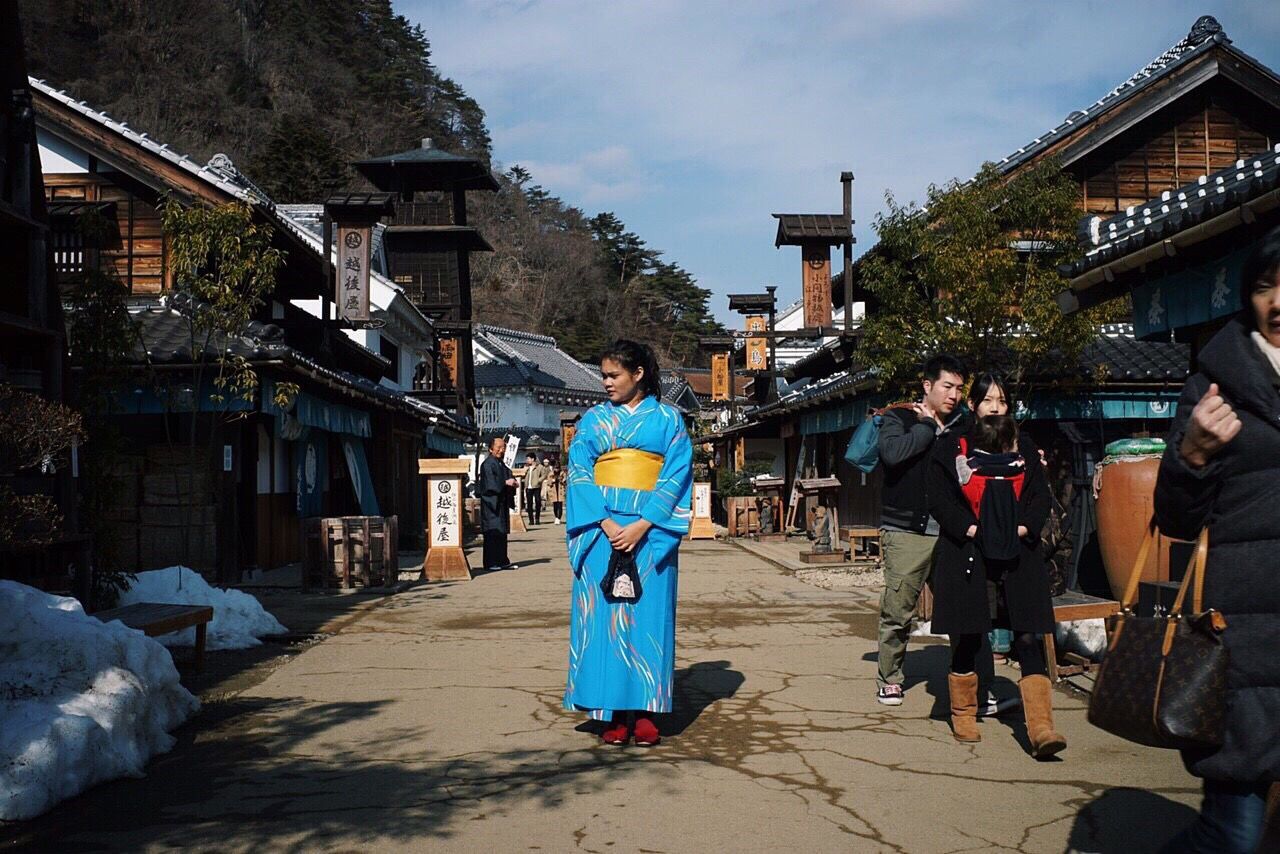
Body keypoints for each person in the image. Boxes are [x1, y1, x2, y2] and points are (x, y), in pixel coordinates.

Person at [1154, 227, 1280, 853]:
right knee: (1233, 832)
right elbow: (1173, 519)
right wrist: (1193, 453)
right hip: (1244, 638)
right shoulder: (1215, 386)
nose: (1279, 301)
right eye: (1265, 286)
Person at [564, 339, 692, 745]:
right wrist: (602, 520)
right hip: (600, 530)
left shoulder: (669, 420)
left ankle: (647, 709)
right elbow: (579, 471)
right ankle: (612, 711)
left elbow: (677, 474)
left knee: (648, 619)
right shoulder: (592, 421)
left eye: (613, 375)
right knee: (603, 622)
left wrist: (644, 524)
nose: (605, 382)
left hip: (652, 534)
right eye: (603, 375)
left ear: (638, 374)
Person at [929, 412, 1062, 757]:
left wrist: (1024, 529)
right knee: (969, 633)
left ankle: (1041, 727)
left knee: (1028, 634)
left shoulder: (1026, 454)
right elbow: (939, 500)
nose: (995, 406)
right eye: (988, 400)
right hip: (971, 553)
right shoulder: (953, 451)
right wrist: (970, 529)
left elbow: (1040, 499)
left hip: (1020, 555)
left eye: (1001, 400)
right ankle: (964, 713)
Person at [875, 354, 969, 705]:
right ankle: (890, 677)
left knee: (960, 609)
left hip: (952, 530)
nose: (954, 395)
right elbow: (893, 454)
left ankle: (966, 682)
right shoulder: (898, 417)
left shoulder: (964, 424)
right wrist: (928, 428)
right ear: (927, 386)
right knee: (898, 609)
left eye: (959, 388)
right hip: (906, 531)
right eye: (947, 386)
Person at [478, 436, 518, 571]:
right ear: (491, 449)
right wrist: (505, 483)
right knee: (492, 533)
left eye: (503, 447)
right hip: (491, 504)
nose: (502, 450)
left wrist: (513, 483)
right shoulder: (488, 464)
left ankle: (502, 561)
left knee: (502, 533)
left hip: (500, 503)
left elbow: (508, 476)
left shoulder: (500, 463)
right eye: (499, 448)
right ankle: (490, 563)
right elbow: (490, 484)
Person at [524, 452, 548, 525]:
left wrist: (538, 480)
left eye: (528, 459)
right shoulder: (526, 467)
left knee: (538, 502)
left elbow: (544, 475)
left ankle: (537, 518)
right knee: (529, 504)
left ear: (533, 459)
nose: (527, 460)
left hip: (536, 487)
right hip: (528, 487)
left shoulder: (540, 466)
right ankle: (531, 520)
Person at [543, 460, 566, 525]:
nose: (556, 469)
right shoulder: (551, 474)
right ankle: (556, 517)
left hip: (560, 491)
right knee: (555, 506)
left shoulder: (562, 473)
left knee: (560, 505)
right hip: (553, 492)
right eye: (555, 468)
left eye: (558, 468)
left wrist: (561, 480)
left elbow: (565, 481)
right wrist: (553, 481)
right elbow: (548, 482)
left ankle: (559, 518)